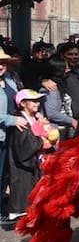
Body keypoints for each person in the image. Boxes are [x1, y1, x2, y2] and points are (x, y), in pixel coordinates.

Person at [6, 90, 53, 224]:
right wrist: (41, 141)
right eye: (33, 101)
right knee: (25, 196)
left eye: (38, 101)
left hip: (37, 162)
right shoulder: (20, 120)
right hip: (24, 167)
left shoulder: (36, 117)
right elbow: (23, 147)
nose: (37, 104)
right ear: (23, 104)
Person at [0, 49, 26, 225]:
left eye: (2, 63)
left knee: (6, 174)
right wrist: (13, 119)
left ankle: (4, 206)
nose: (0, 66)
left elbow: (19, 101)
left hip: (11, 135)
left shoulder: (9, 80)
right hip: (2, 134)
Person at [40, 58, 76, 141]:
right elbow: (51, 113)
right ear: (58, 71)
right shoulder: (50, 89)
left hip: (63, 130)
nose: (68, 70)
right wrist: (72, 121)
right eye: (65, 68)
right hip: (54, 132)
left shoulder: (60, 86)